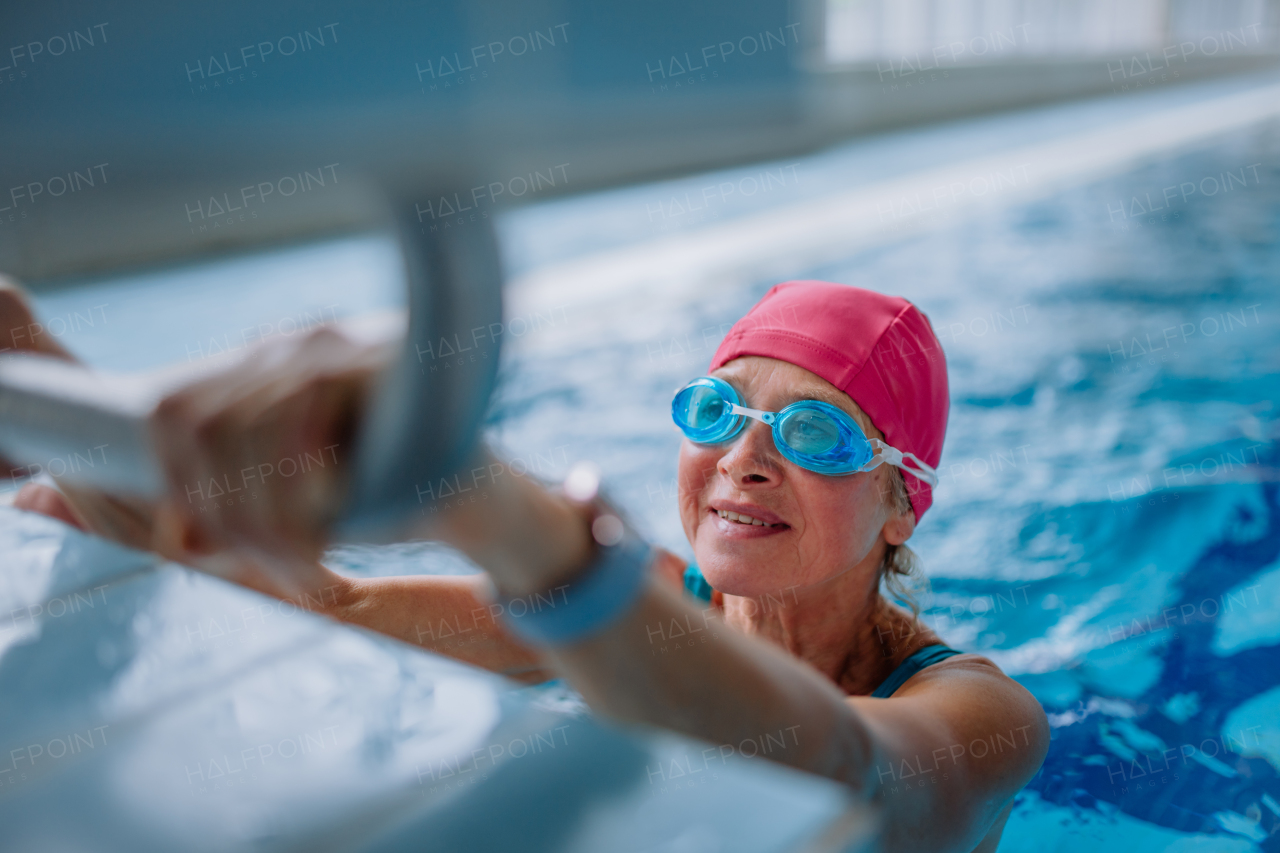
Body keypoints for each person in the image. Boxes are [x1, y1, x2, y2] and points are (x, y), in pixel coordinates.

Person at [2, 277, 1047, 853]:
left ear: (901, 504)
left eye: (812, 434)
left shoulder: (984, 718)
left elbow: (849, 784)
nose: (741, 459)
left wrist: (486, 500)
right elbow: (321, 608)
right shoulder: (638, 605)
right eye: (713, 410)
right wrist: (64, 410)